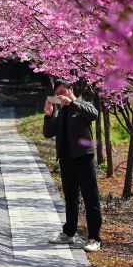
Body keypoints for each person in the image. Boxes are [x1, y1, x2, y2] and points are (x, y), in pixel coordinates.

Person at [43, 79, 103, 252]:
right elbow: (49, 133)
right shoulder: (61, 112)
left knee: (91, 199)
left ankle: (94, 238)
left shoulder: (82, 104)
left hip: (84, 158)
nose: (59, 96)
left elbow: (94, 114)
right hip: (66, 160)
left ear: (70, 90)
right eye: (57, 94)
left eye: (62, 92)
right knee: (70, 198)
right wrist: (48, 116)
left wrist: (74, 102)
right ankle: (68, 232)